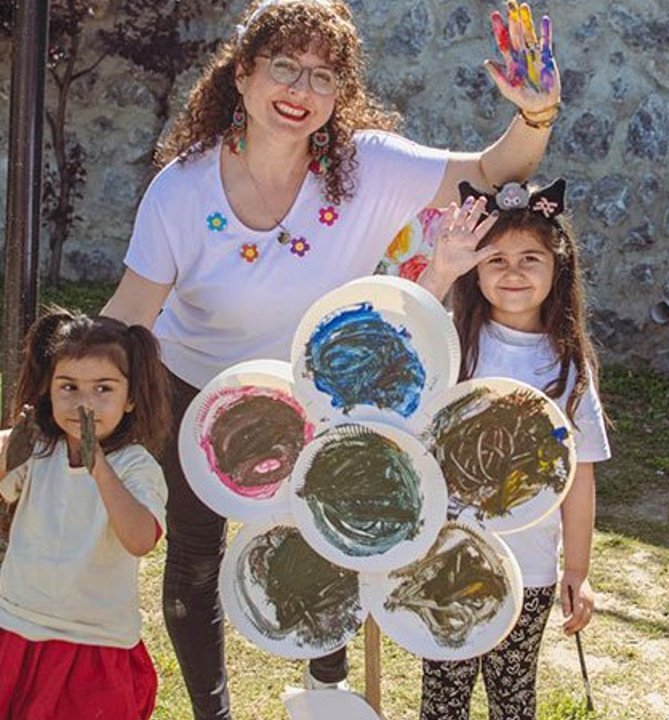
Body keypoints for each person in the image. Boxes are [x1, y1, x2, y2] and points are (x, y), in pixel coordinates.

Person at [99, 1, 561, 716]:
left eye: (322, 75)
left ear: (339, 93)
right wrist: (58, 394)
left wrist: (536, 113)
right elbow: (131, 311)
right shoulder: (183, 188)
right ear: (242, 73)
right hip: (199, 391)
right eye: (284, 66)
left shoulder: (367, 165)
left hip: (324, 388)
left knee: (334, 533)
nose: (300, 89)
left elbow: (493, 168)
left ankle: (326, 688)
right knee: (194, 556)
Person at [413, 179, 609, 719]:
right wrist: (441, 270)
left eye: (530, 258)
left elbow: (580, 475)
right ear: (475, 269)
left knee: (513, 696)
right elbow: (402, 330)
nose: (513, 272)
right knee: (443, 697)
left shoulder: (568, 366)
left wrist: (578, 570)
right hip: (445, 555)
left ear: (558, 266)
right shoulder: (451, 341)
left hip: (530, 569)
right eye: (495, 259)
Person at [0, 311, 171, 719]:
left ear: (130, 399)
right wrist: (9, 449)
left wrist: (98, 467)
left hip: (96, 643)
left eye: (103, 389)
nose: (84, 403)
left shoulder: (136, 467)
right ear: (48, 391)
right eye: (69, 387)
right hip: (18, 627)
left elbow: (140, 540)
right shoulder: (38, 449)